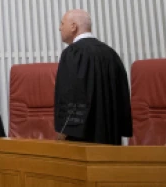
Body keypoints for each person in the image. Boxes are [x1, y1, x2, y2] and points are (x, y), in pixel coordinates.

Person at [53, 9, 132, 145]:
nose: (60, 28)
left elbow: (69, 94)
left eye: (62, 23)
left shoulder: (72, 53)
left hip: (83, 139)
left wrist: (64, 129)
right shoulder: (111, 54)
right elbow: (122, 95)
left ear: (73, 26)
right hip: (111, 135)